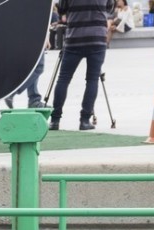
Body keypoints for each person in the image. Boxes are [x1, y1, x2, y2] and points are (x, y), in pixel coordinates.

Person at [49, 0, 114, 132]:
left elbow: (61, 10)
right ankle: (84, 121)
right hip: (97, 38)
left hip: (74, 39)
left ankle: (55, 120)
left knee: (64, 79)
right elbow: (110, 8)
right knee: (92, 79)